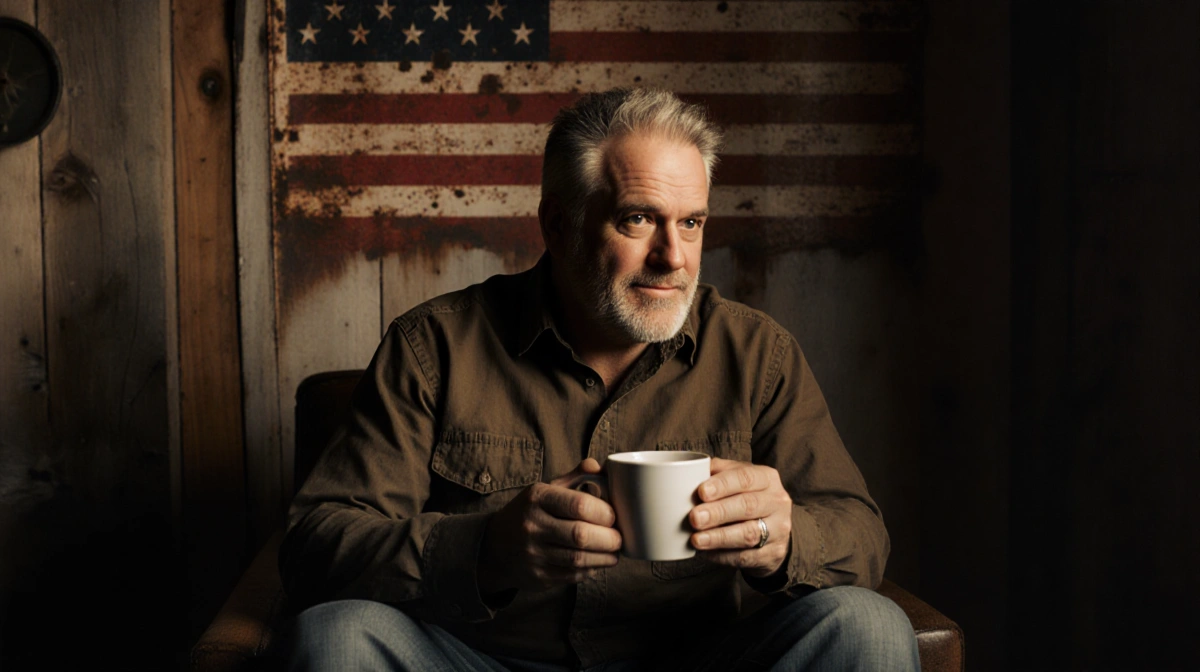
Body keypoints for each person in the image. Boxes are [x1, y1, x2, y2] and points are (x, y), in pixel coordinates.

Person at [280, 88, 920, 671]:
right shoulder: (434, 347)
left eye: (692, 223)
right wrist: (486, 550)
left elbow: (860, 534)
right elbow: (315, 544)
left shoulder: (757, 352)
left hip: (698, 663)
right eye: (638, 219)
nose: (674, 258)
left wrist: (782, 540)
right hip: (480, 662)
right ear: (558, 225)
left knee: (868, 625)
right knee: (339, 636)